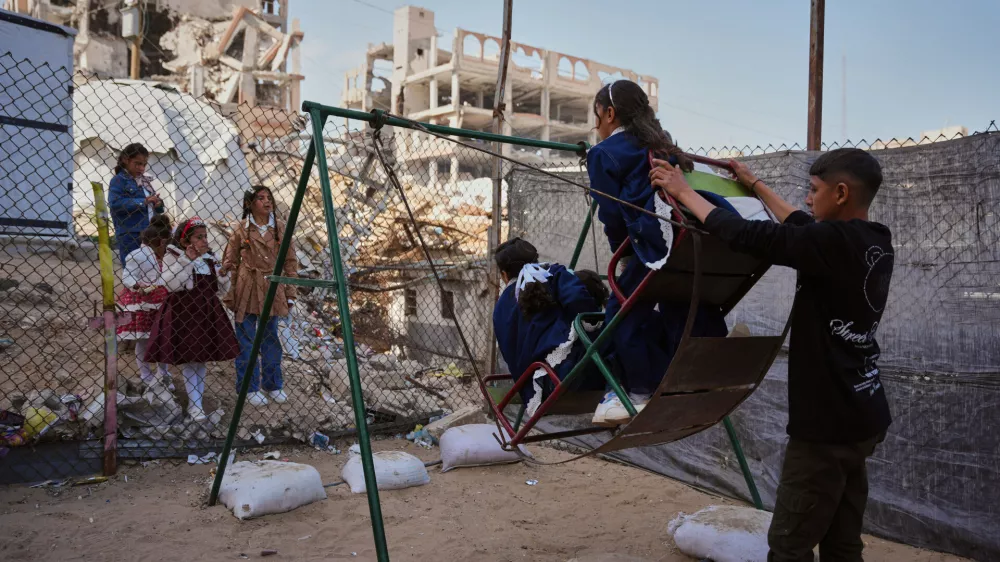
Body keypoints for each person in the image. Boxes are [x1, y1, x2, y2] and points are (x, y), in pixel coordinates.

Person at [649, 148, 893, 562]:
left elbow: (752, 237)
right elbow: (799, 225)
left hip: (824, 432)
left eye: (814, 191)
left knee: (788, 547)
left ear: (840, 193)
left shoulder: (827, 242)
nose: (807, 199)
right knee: (842, 540)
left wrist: (683, 192)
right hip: (863, 414)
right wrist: (755, 185)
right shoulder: (874, 240)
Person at [586, 80, 729, 426]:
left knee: (620, 311)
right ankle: (706, 367)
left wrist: (623, 254)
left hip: (658, 241)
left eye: (597, 117)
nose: (596, 126)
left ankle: (638, 393)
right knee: (682, 302)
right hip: (696, 239)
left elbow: (611, 215)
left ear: (609, 113)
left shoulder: (603, 154)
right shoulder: (664, 147)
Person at [492, 238, 605, 415]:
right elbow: (583, 308)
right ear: (536, 259)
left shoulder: (499, 309)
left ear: (504, 275)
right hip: (573, 374)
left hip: (536, 391)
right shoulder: (552, 274)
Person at [145, 217, 240, 422]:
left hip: (206, 312)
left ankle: (196, 401)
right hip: (184, 313)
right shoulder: (174, 256)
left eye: (205, 236)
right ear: (185, 240)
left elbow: (220, 289)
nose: (204, 240)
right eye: (199, 237)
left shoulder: (209, 259)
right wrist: (186, 260)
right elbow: (171, 285)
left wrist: (223, 274)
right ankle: (195, 405)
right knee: (190, 359)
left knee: (201, 359)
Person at [222, 186, 298, 407]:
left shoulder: (281, 229)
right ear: (249, 204)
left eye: (269, 198)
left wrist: (290, 292)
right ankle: (248, 387)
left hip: (272, 289)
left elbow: (291, 263)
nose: (267, 202)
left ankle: (273, 385)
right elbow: (231, 260)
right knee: (245, 340)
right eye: (260, 198)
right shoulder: (241, 230)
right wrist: (231, 289)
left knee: (271, 338)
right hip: (246, 288)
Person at [116, 214, 173, 394]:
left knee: (163, 339)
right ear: (159, 242)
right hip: (142, 302)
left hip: (162, 302)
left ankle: (163, 373)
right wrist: (138, 285)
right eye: (165, 244)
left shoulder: (166, 256)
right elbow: (128, 276)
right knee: (143, 339)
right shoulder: (137, 256)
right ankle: (146, 374)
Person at [108, 143, 165, 264]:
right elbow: (115, 203)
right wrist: (143, 201)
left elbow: (156, 208)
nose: (142, 168)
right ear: (125, 160)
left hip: (149, 234)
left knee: (150, 269)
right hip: (132, 234)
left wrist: (158, 203)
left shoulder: (145, 181)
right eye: (138, 164)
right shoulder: (119, 180)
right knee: (132, 269)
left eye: (144, 164)